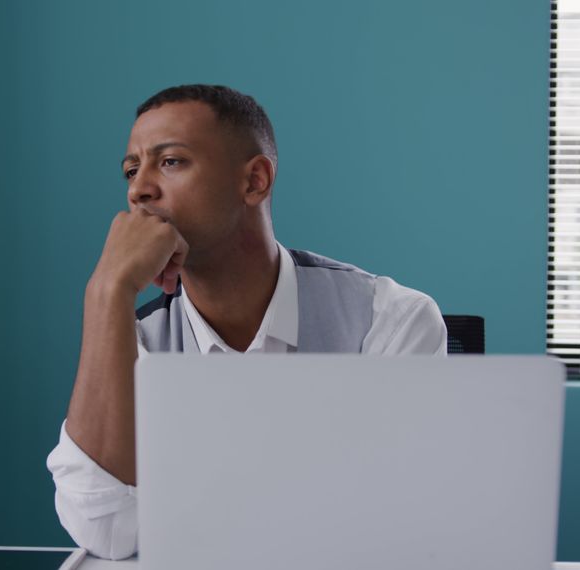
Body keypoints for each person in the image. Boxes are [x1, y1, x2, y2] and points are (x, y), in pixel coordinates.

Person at [45, 84, 448, 560]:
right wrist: (106, 291)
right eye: (132, 170)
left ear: (255, 180)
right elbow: (105, 531)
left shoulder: (389, 320)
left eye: (170, 161)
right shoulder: (136, 341)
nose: (139, 189)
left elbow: (399, 522)